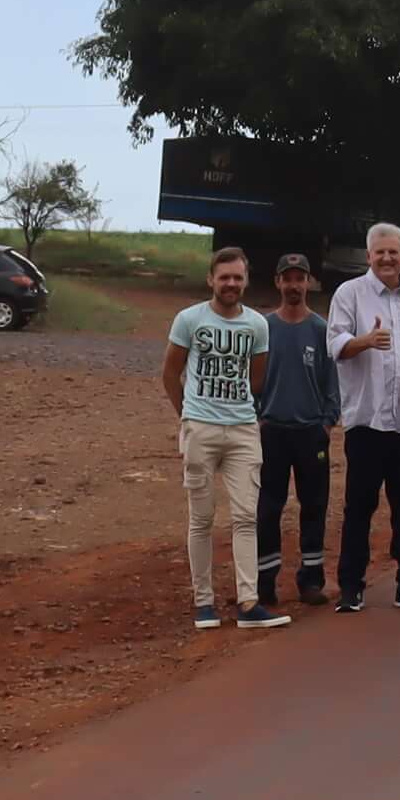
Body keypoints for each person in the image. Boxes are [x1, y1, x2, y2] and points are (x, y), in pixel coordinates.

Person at [164, 247, 280, 631]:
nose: (231, 284)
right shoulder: (189, 320)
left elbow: (257, 379)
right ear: (211, 279)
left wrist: (239, 408)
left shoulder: (257, 325)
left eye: (237, 278)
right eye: (224, 277)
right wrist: (189, 416)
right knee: (202, 517)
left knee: (247, 516)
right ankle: (204, 603)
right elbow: (171, 373)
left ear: (246, 281)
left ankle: (248, 602)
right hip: (201, 428)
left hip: (244, 429)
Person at [328, 223, 400, 615]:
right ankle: (350, 587)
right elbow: (336, 344)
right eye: (380, 252)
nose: (387, 258)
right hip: (367, 420)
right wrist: (366, 341)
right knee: (359, 505)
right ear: (368, 256)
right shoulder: (350, 294)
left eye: (394, 252)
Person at [251, 252, 340, 615]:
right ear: (277, 282)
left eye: (299, 278)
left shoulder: (321, 329)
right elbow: (252, 380)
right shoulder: (263, 328)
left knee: (314, 506)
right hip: (271, 431)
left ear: (309, 282)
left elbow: (332, 382)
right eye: (287, 278)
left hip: (310, 433)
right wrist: (256, 418)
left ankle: (311, 579)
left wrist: (327, 422)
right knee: (268, 509)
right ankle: (265, 583)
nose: (293, 285)